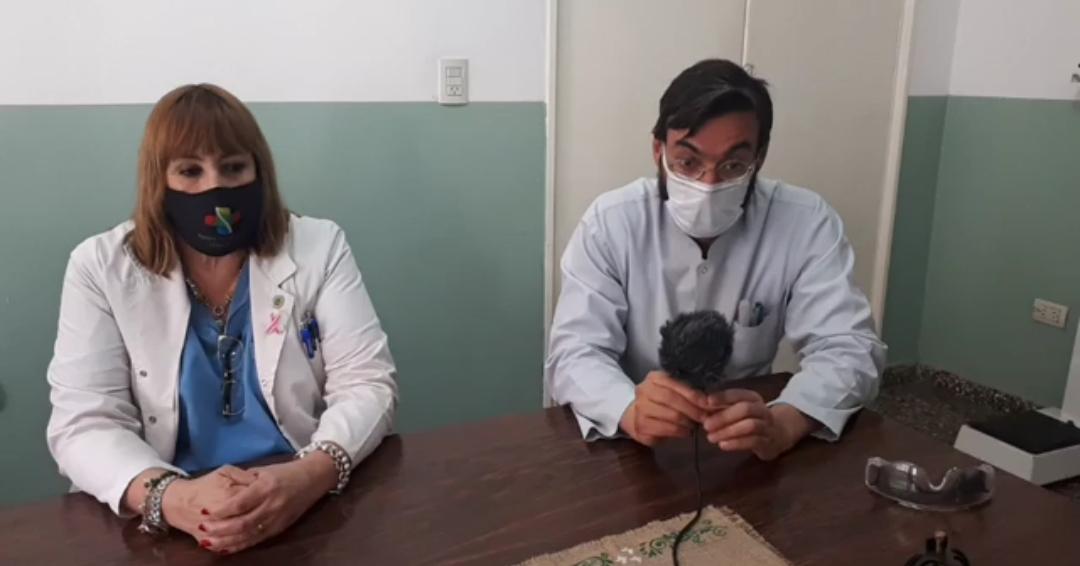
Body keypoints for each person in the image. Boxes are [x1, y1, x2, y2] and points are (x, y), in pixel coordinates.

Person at [46, 84, 398, 554]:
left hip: (298, 496)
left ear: (258, 170)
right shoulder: (99, 267)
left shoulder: (319, 245)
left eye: (233, 167)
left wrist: (310, 475)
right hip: (164, 514)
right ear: (159, 180)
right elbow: (84, 423)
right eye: (190, 171)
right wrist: (172, 498)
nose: (214, 188)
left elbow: (368, 383)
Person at [545, 59, 885, 460]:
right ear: (658, 151)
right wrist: (627, 407)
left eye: (733, 166)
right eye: (688, 162)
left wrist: (787, 421)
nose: (709, 184)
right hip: (630, 443)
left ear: (759, 158)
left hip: (746, 441)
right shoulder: (611, 223)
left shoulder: (806, 221)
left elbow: (849, 347)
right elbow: (575, 352)